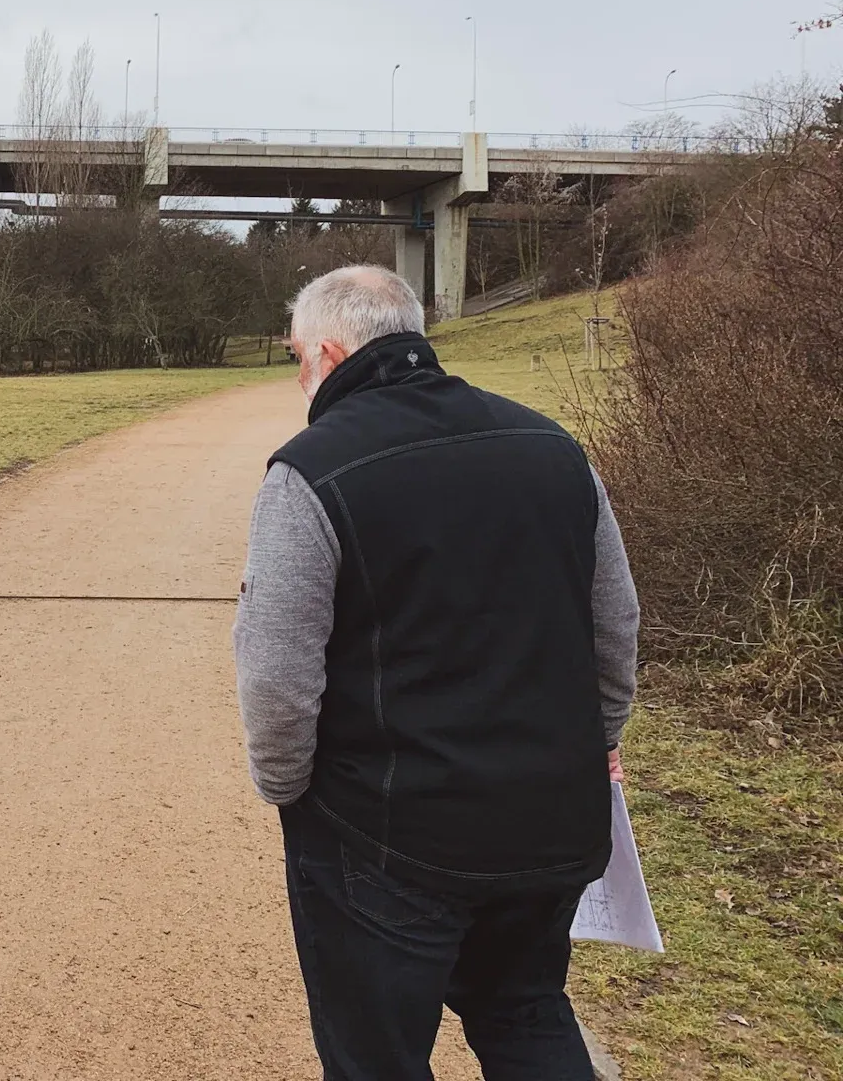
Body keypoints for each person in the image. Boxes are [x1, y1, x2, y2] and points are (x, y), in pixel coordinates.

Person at [233, 264, 639, 1081]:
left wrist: (287, 789)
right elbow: (615, 625)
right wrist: (597, 739)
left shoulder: (310, 470)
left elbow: (276, 673)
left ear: (329, 351)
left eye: (296, 360)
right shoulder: (553, 447)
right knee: (526, 1012)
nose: (298, 378)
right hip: (548, 818)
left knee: (375, 1056)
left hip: (385, 835)